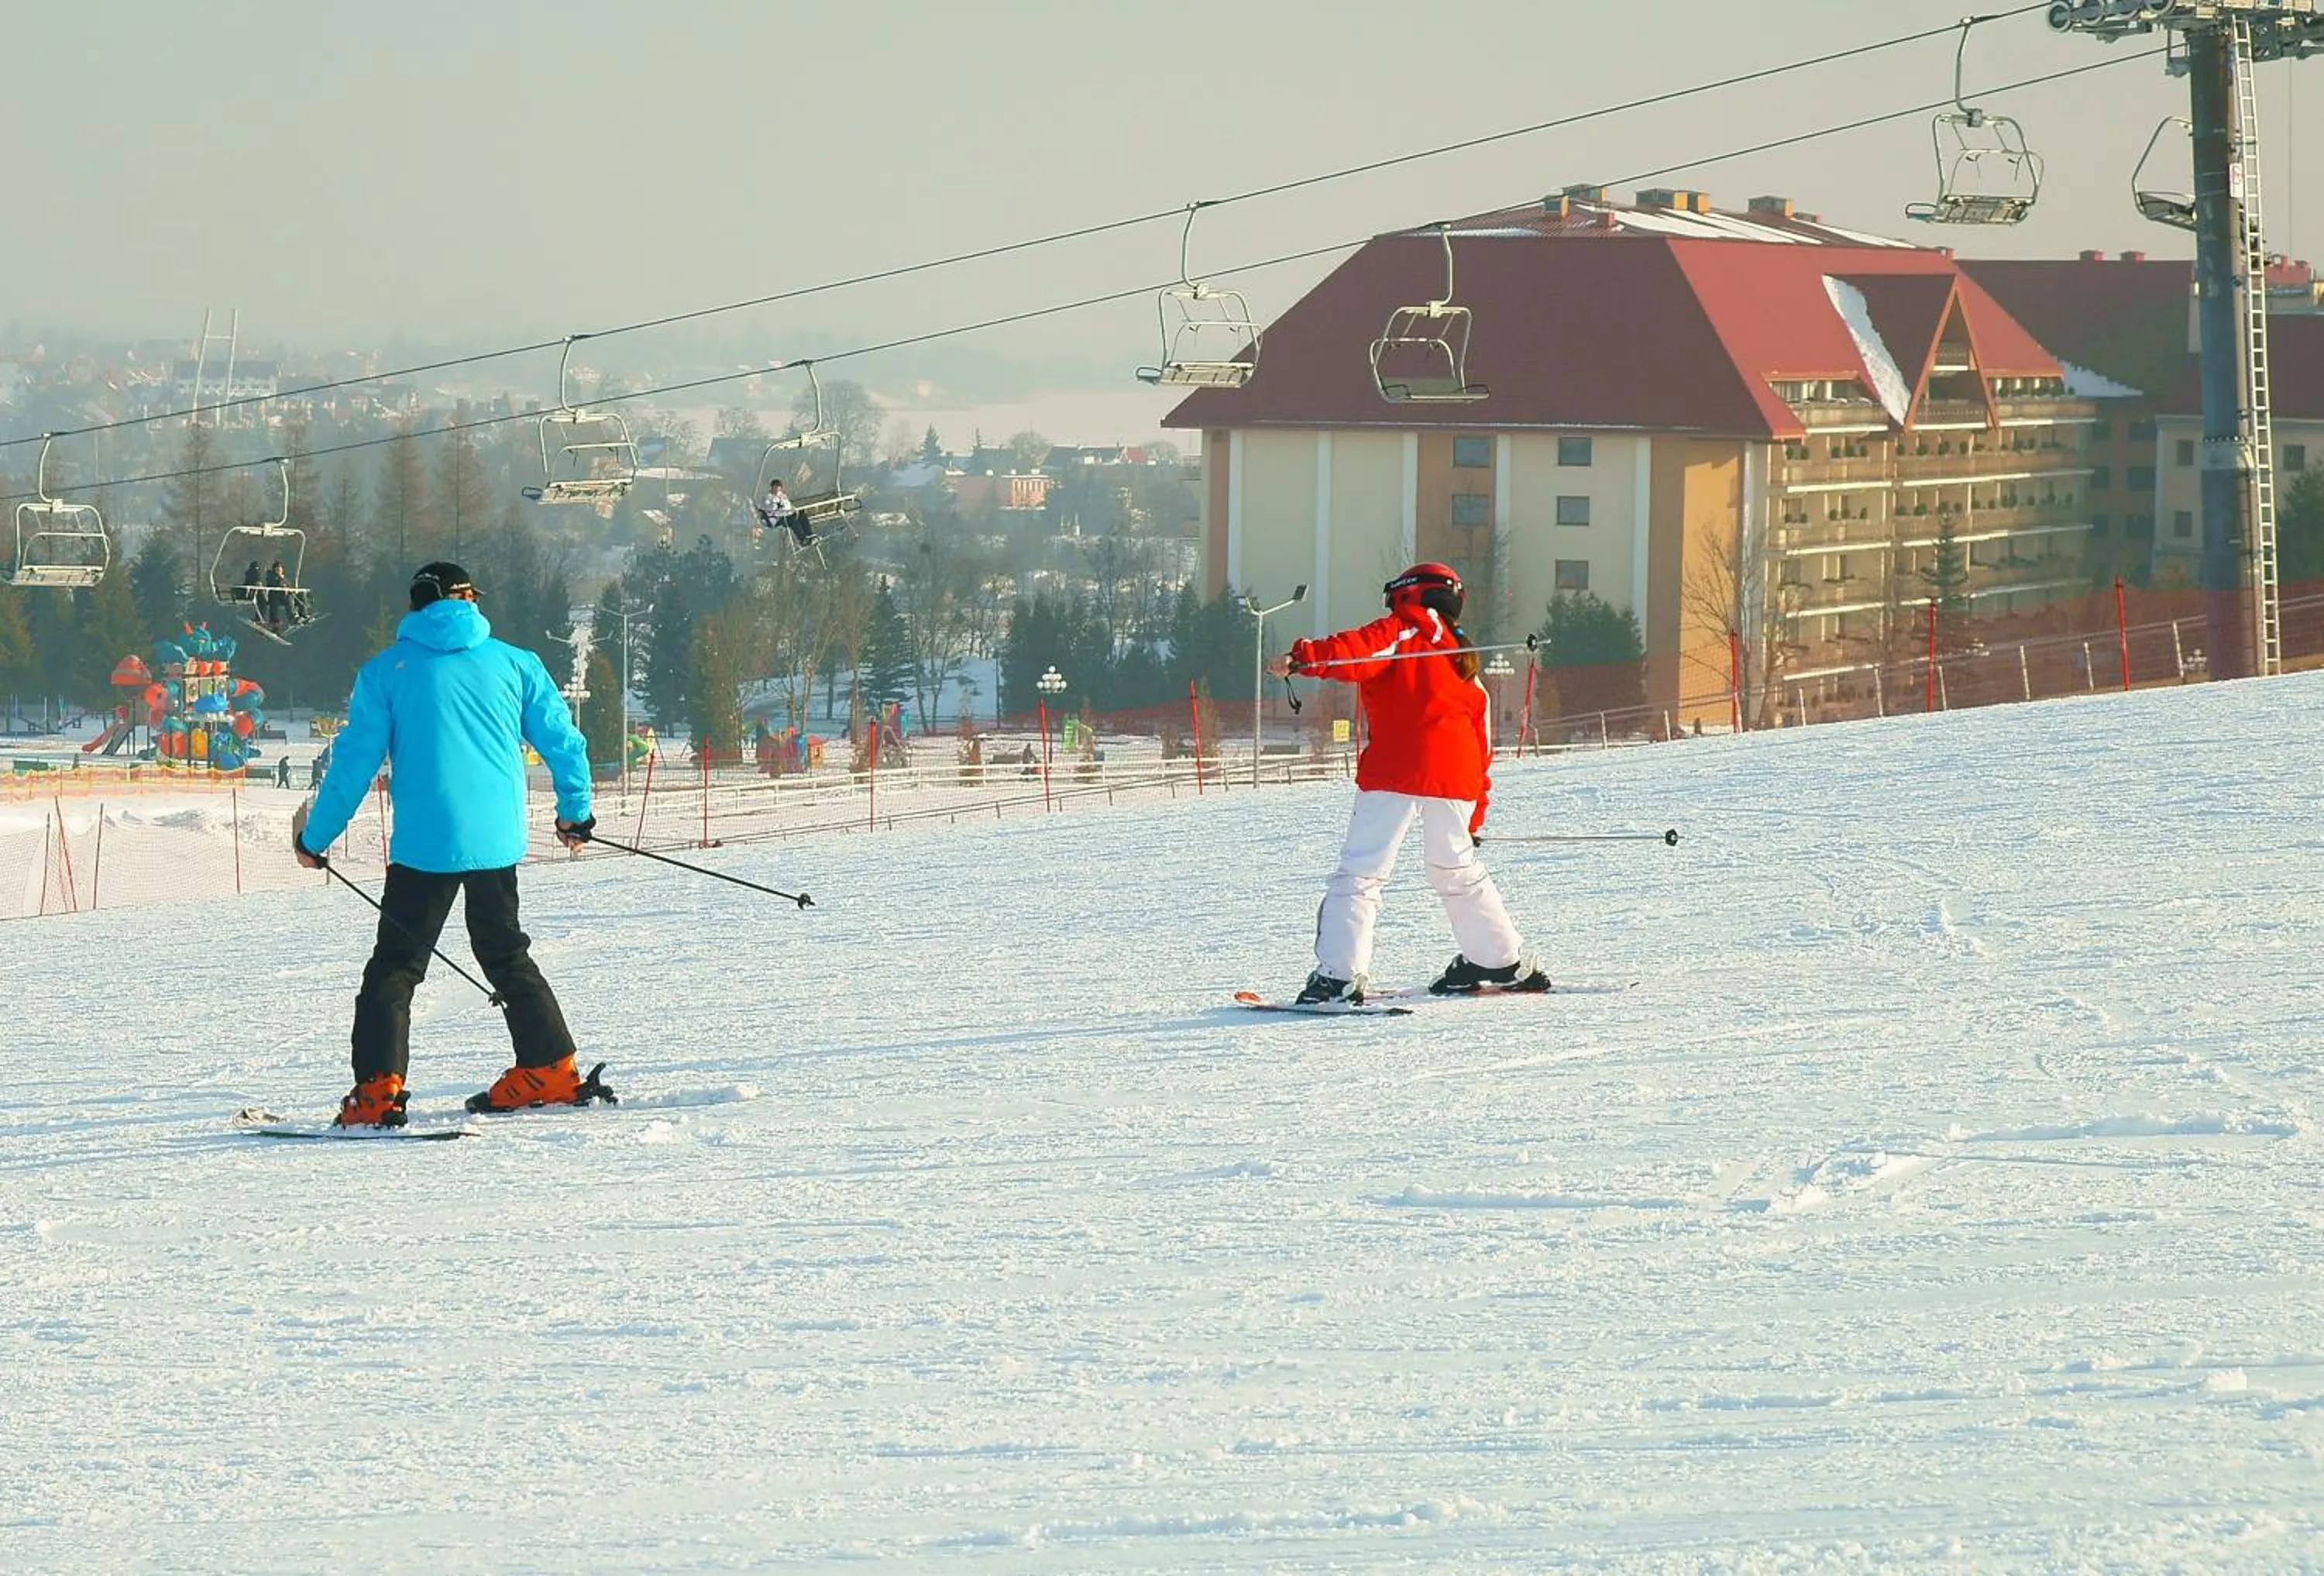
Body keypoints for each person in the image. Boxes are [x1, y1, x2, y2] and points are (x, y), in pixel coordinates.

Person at [292, 561, 601, 1129]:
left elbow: (354, 764)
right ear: (465, 601)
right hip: (497, 842)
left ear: (417, 605)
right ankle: (551, 1067)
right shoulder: (516, 663)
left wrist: (316, 838)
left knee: (396, 966)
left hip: (425, 846)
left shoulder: (386, 673)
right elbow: (564, 742)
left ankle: (378, 1091)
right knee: (506, 954)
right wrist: (574, 814)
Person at [1269, 562, 1547, 1004]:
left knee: (1362, 871)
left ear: (1407, 596)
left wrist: (1303, 658)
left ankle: (1338, 977)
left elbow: (1358, 651)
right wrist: (1474, 815)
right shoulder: (1466, 663)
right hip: (1456, 778)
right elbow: (1482, 744)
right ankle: (1498, 959)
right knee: (1455, 870)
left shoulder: (1403, 632)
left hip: (1397, 769)